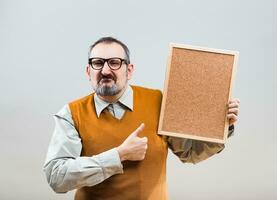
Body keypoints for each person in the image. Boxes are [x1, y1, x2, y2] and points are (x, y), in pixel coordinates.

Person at [43, 37, 240, 200]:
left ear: (129, 70)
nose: (105, 70)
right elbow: (57, 178)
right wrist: (119, 155)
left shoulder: (159, 101)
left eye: (114, 62)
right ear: (89, 71)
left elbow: (190, 153)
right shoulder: (71, 113)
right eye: (97, 63)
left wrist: (221, 126)